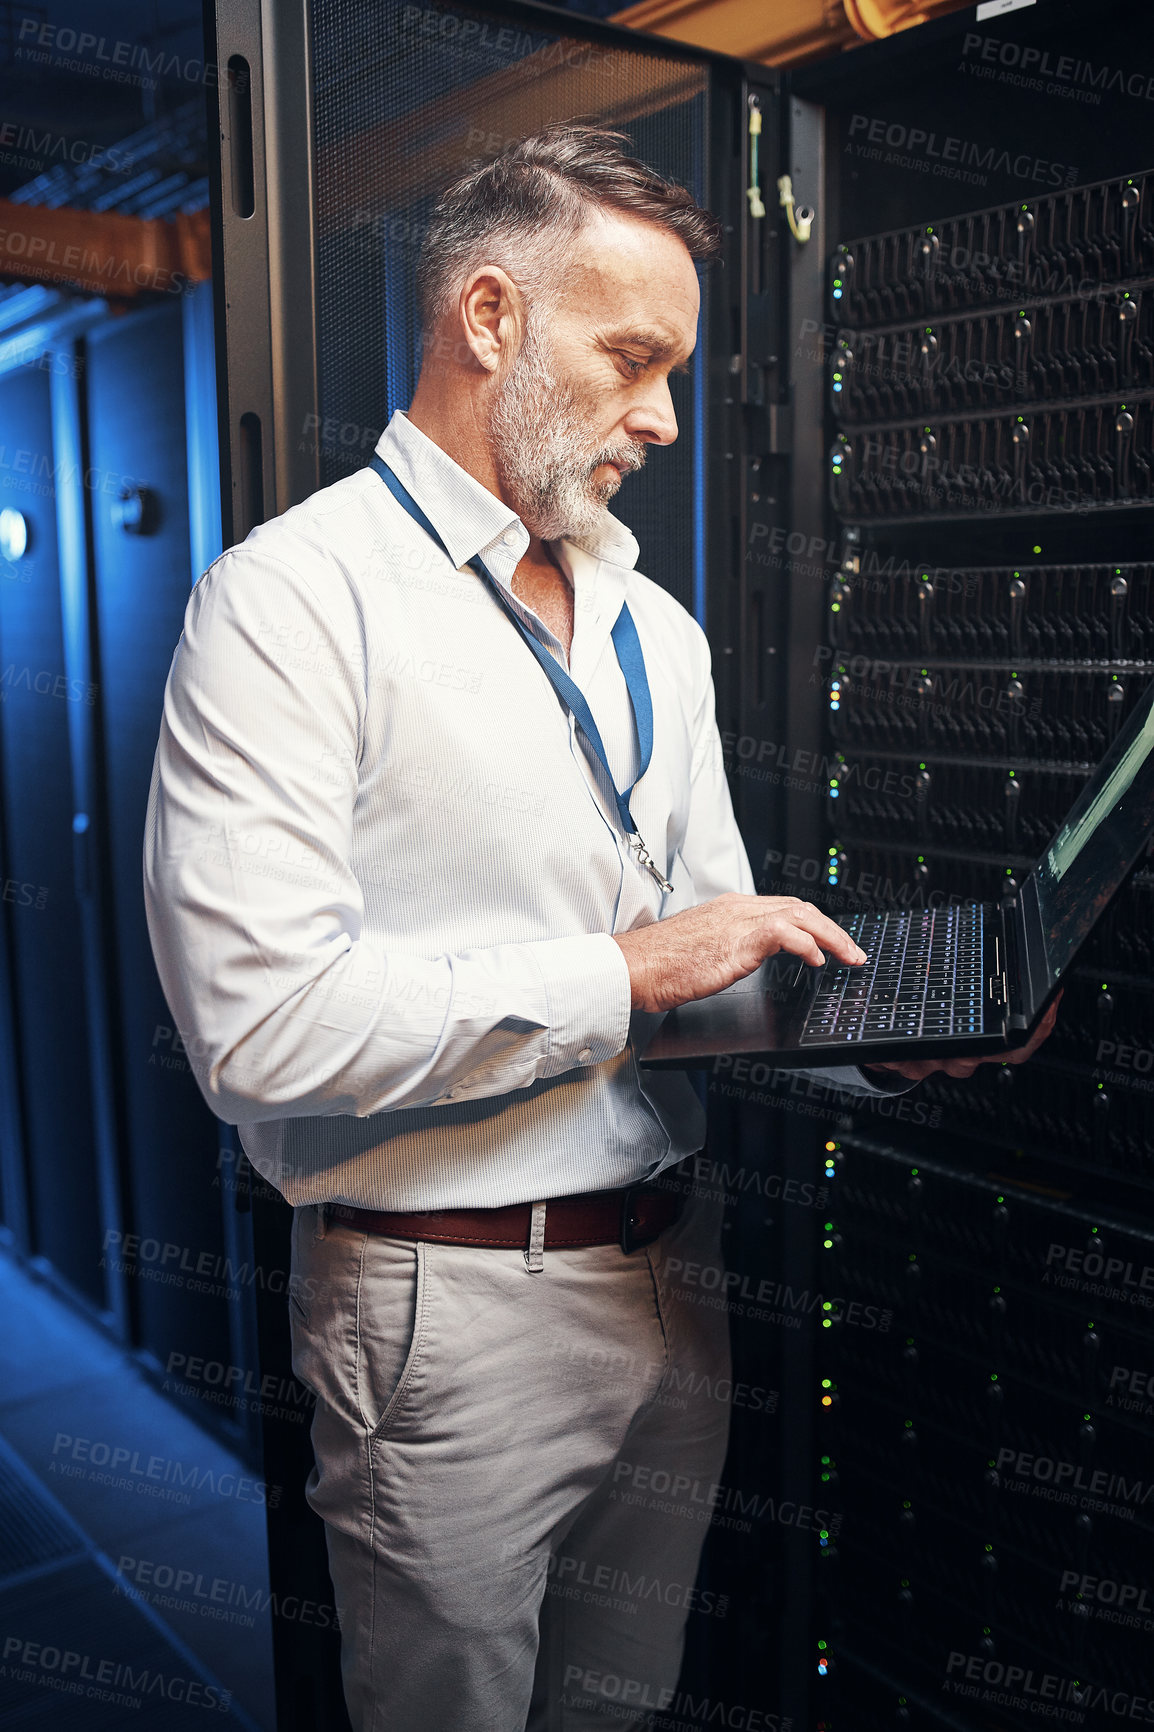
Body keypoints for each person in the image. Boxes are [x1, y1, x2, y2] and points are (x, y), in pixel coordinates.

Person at [143, 122, 1056, 1731]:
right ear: (487, 318)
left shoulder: (655, 627)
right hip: (442, 1316)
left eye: (676, 370)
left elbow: (712, 964)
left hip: (666, 1283)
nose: (661, 417)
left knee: (623, 1716)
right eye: (630, 358)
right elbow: (254, 1024)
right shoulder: (290, 603)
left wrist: (883, 1042)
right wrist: (619, 974)